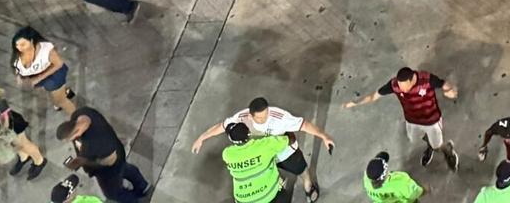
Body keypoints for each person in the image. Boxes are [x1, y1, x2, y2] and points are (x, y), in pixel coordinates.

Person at [190, 97, 334, 202]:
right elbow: (221, 127)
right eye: (260, 118)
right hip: (264, 156)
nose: (265, 119)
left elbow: (304, 125)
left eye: (266, 114)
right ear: (250, 115)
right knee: (269, 175)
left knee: (301, 169)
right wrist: (202, 137)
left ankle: (308, 186)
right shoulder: (241, 118)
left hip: (284, 153)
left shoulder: (280, 117)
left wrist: (324, 136)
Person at [341, 68, 459, 170]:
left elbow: (445, 85)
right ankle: (430, 146)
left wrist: (451, 92)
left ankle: (447, 151)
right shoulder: (394, 85)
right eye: (400, 87)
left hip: (431, 121)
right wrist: (353, 103)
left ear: (412, 79)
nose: (402, 90)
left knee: (437, 146)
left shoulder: (427, 79)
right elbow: (373, 96)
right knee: (414, 138)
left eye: (405, 88)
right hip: (412, 121)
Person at [57, 109, 150, 203]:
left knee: (113, 193)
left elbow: (109, 161)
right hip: (117, 153)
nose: (69, 141)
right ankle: (142, 186)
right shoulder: (81, 113)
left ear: (77, 132)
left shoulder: (97, 141)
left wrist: (82, 161)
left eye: (69, 139)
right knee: (125, 168)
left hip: (109, 167)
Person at [219, 121, 291, 203]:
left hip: (243, 200)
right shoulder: (264, 145)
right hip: (269, 195)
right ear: (249, 133)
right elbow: (288, 140)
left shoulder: (227, 154)